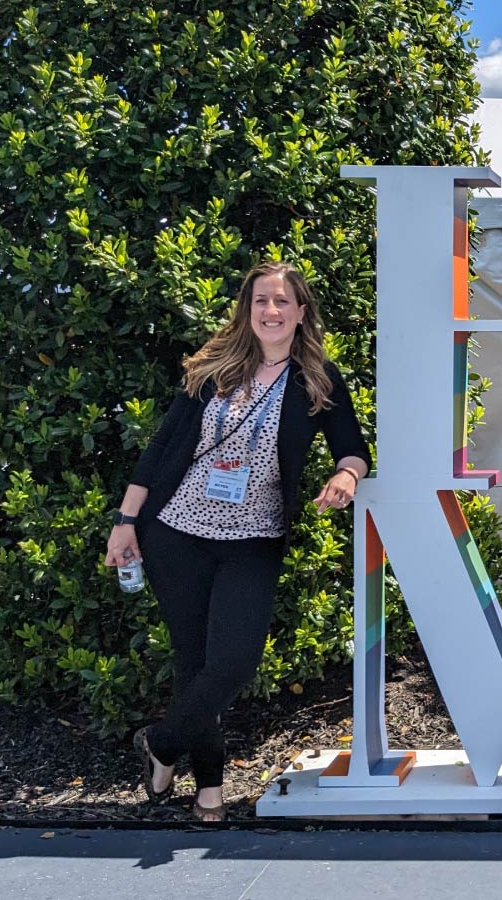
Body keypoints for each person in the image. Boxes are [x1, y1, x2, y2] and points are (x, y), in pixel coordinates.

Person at [104, 261, 370, 822]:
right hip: (176, 533)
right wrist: (126, 522)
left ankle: (161, 744)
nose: (270, 311)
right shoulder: (212, 371)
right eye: (260, 302)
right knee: (193, 663)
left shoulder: (318, 380)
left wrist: (345, 478)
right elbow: (160, 449)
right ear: (247, 311)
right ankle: (209, 790)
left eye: (282, 302)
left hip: (252, 540)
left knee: (231, 665)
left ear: (301, 313)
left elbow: (352, 448)